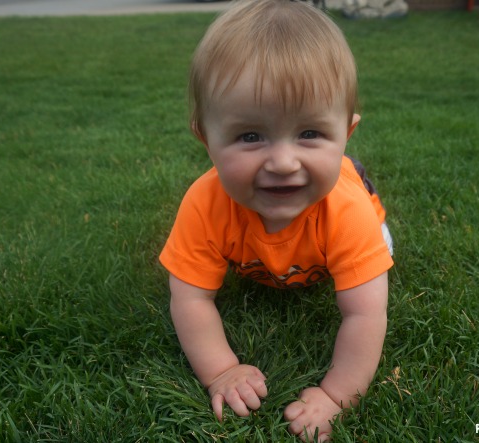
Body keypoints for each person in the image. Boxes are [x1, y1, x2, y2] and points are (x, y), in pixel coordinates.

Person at [159, 0, 394, 440]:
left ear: (346, 133)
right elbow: (190, 300)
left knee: (376, 255)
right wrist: (222, 370)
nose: (284, 162)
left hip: (352, 207)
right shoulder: (203, 205)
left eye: (310, 133)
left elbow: (366, 315)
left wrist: (336, 395)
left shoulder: (347, 212)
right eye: (250, 136)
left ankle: (352, 171)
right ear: (206, 140)